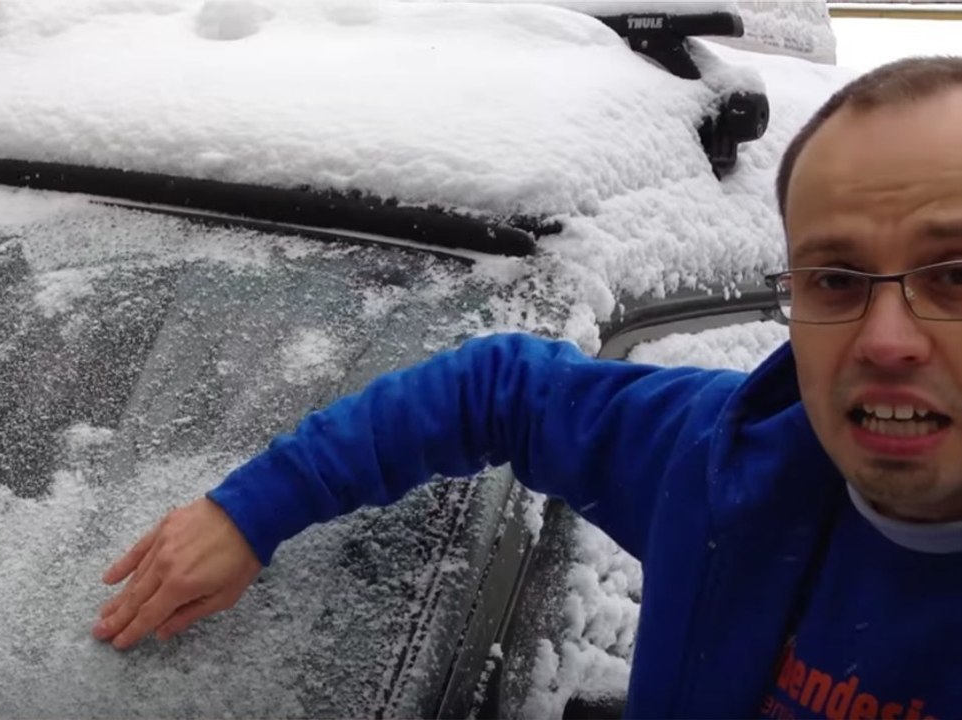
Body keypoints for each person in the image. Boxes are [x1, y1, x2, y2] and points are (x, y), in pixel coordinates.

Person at [93, 56, 962, 718]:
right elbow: (501, 388)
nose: (885, 340)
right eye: (836, 281)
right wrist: (254, 508)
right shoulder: (734, 465)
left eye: (953, 276)